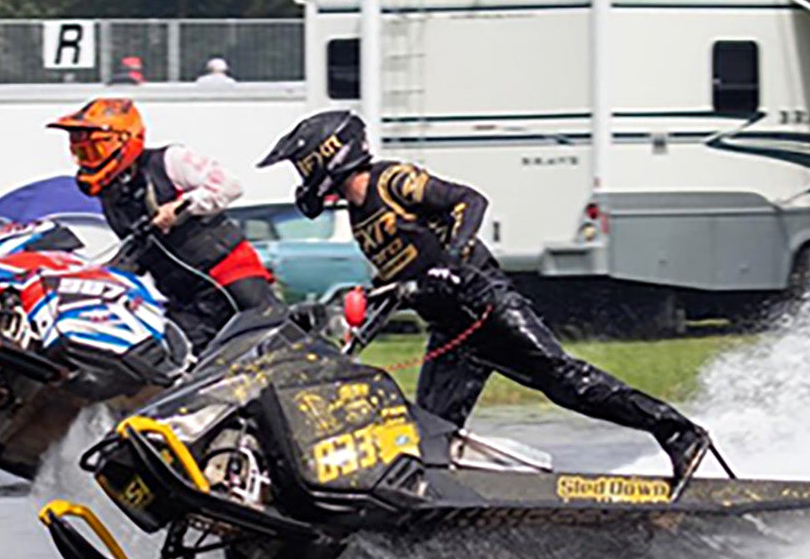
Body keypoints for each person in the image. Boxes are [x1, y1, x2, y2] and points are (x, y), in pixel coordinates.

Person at [258, 109, 712, 486]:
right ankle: (448, 509)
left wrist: (451, 260)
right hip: (451, 330)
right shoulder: (360, 219)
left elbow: (469, 201)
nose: (302, 178)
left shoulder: (392, 181)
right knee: (428, 430)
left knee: (564, 382)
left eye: (303, 165)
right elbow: (396, 281)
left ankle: (679, 434)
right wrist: (353, 336)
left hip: (484, 303)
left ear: (329, 156)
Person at [49, 97, 279, 349]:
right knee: (184, 363)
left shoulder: (170, 160)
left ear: (125, 139)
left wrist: (183, 206)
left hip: (228, 276)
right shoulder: (110, 196)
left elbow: (229, 185)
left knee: (269, 341)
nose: (89, 161)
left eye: (95, 151)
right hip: (182, 297)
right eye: (81, 154)